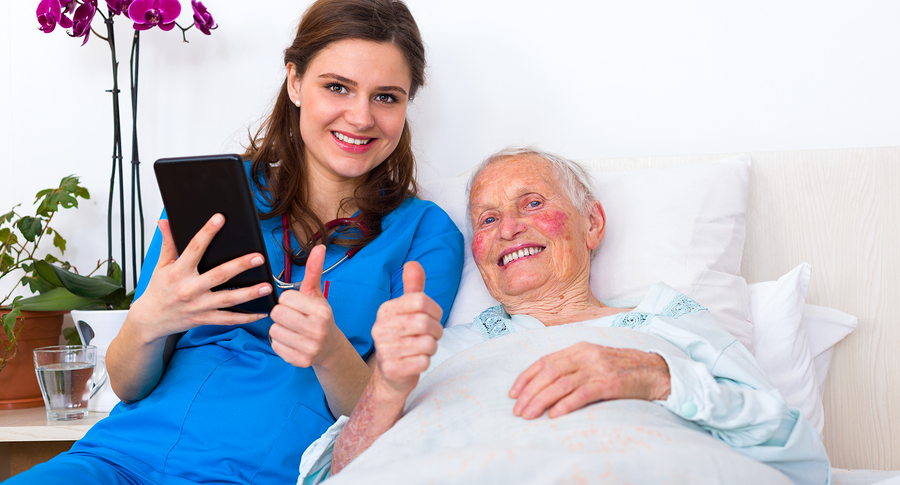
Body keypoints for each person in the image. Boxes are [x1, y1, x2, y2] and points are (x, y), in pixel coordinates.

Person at [4, 0, 463, 485]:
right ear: (295, 81)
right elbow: (127, 384)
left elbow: (379, 414)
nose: (360, 116)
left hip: (251, 475)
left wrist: (329, 350)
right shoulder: (212, 195)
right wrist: (148, 322)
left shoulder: (426, 236)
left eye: (386, 97)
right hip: (113, 462)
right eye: (337, 87)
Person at [296, 147, 831, 485]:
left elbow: (799, 456)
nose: (508, 228)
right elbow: (341, 472)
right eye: (487, 218)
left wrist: (656, 377)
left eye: (531, 203)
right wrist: (387, 386)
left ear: (593, 224)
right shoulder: (436, 349)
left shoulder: (668, 324)